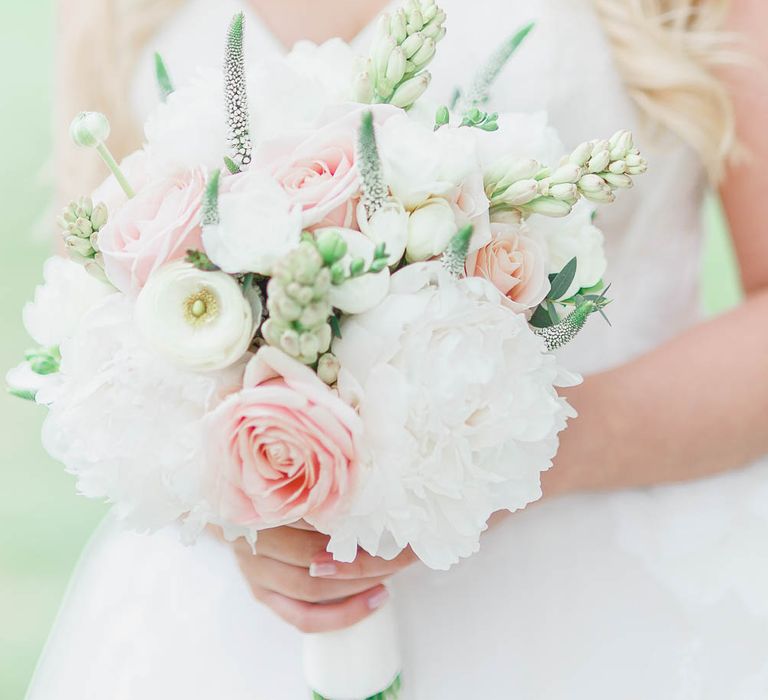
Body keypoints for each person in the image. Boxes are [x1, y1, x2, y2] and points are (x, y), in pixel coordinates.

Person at [31, 0, 768, 697]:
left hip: (608, 596)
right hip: (230, 631)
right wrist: (239, 486)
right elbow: (109, 285)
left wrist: (503, 452)